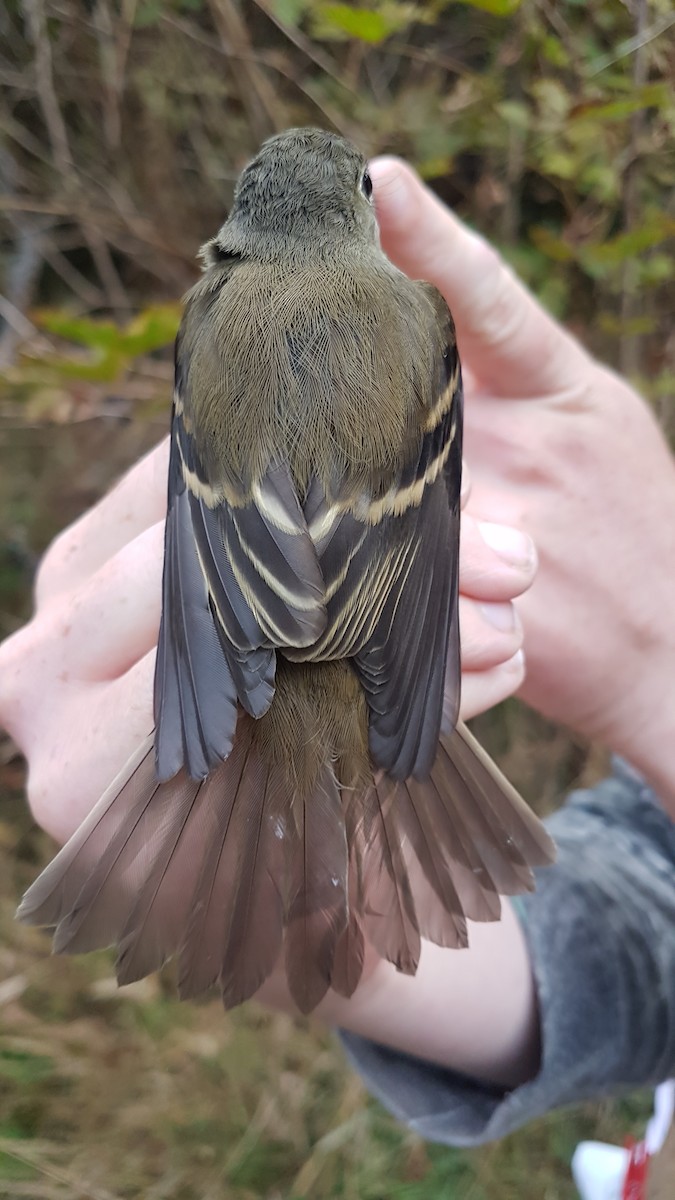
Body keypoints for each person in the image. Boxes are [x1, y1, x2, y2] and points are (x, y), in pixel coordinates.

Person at [0, 157, 673, 1148]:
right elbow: (648, 914)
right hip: (370, 637)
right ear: (360, 215)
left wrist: (661, 680)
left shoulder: (216, 320)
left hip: (254, 610)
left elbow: (209, 526)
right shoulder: (412, 321)